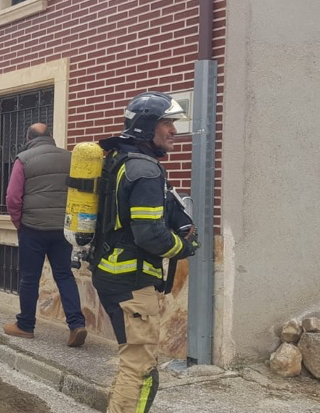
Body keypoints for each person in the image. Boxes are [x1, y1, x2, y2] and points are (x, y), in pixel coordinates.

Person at [91, 92, 199, 413]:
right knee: (139, 368)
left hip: (109, 274)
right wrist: (185, 246)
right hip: (132, 283)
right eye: (167, 123)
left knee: (130, 359)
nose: (174, 131)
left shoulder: (119, 162)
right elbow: (150, 234)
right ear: (146, 126)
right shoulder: (146, 171)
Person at [2, 123, 88, 347]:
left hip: (33, 228)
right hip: (62, 229)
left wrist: (18, 222)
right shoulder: (69, 158)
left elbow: (12, 197)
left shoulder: (23, 158)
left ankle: (25, 326)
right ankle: (76, 324)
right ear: (50, 136)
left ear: (27, 137)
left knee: (29, 278)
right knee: (64, 275)